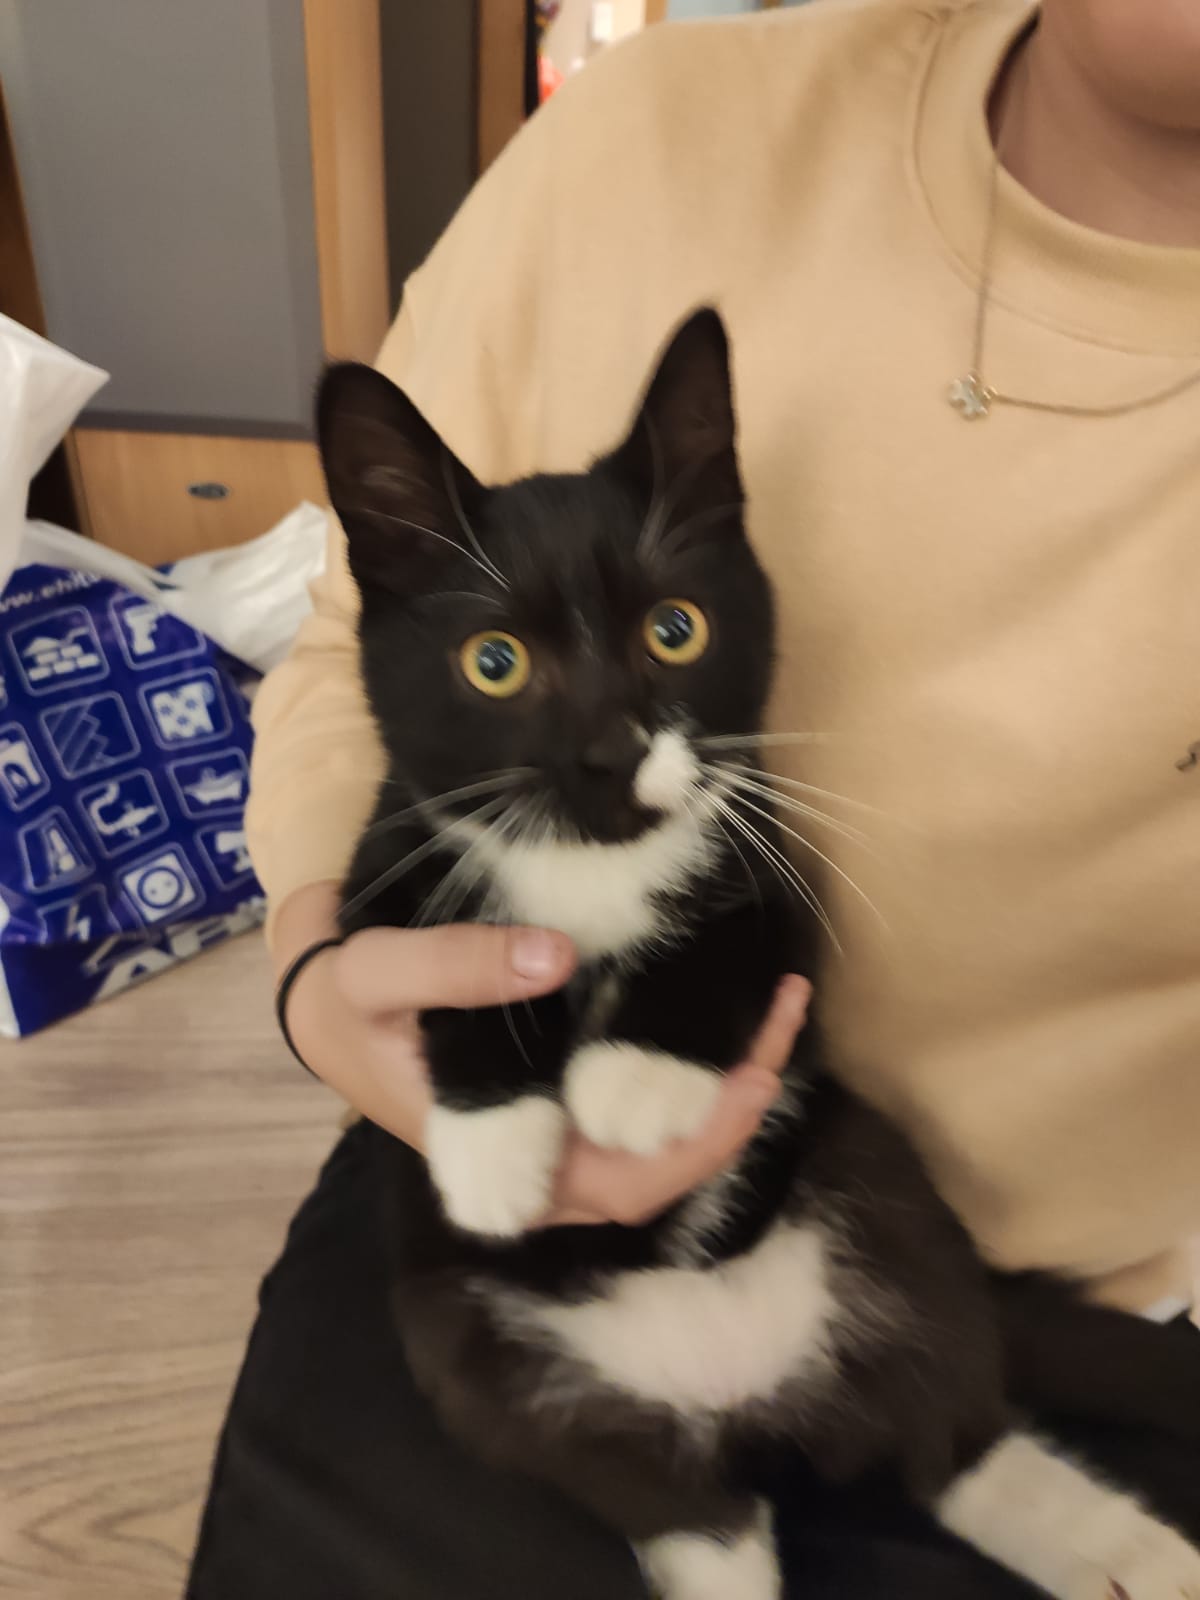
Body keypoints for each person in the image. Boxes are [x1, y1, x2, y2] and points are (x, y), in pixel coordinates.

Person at [188, 1, 1200, 1594]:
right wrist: (321, 977)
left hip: (927, 1264)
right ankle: (691, 1521)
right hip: (509, 1241)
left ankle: (969, 1463)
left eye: (667, 636)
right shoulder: (649, 127)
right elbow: (343, 643)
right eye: (519, 667)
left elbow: (754, 921)